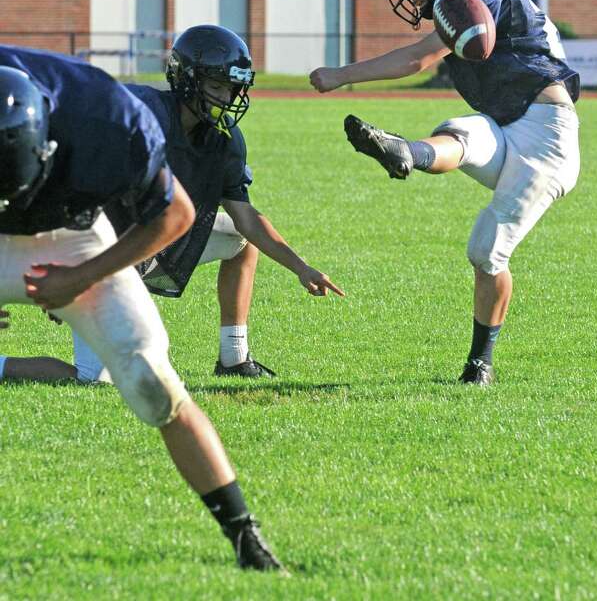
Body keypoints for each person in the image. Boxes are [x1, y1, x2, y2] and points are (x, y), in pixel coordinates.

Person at [0, 46, 286, 571]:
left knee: (152, 382)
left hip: (72, 234)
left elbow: (175, 215)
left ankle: (244, 535)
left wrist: (83, 278)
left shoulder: (107, 119)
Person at [310, 0, 580, 386]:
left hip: (547, 138)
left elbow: (417, 58)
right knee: (460, 132)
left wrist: (341, 74)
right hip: (509, 124)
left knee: (486, 252)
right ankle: (407, 152)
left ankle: (481, 364)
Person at [1, 26, 345, 386]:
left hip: (151, 235)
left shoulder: (224, 138)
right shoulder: (137, 117)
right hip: (97, 242)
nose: (227, 98)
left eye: (233, 88)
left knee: (240, 244)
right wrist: (76, 270)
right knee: (95, 378)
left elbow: (246, 218)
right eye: (217, 86)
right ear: (186, 79)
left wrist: (301, 267)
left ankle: (234, 357)